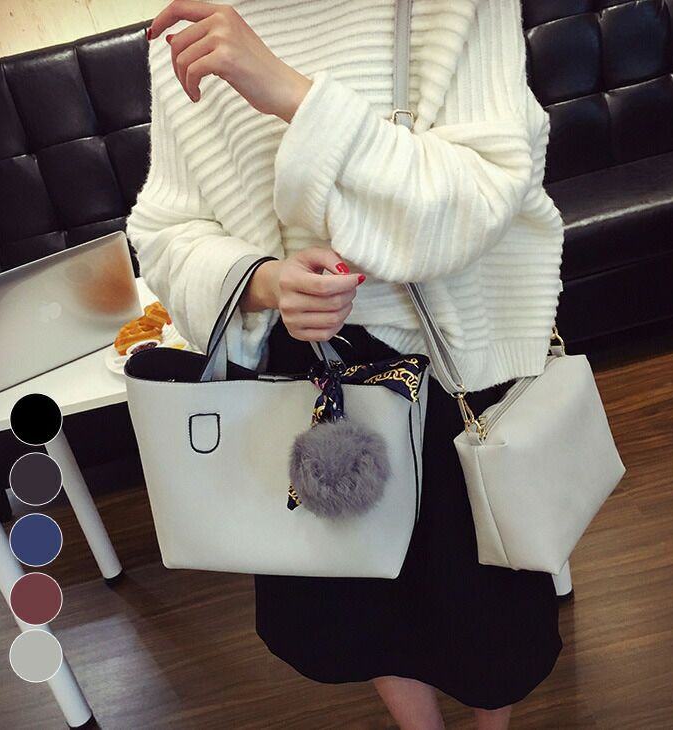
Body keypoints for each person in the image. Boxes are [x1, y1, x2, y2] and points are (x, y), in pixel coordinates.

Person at [126, 1, 566, 728]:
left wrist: (292, 95)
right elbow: (167, 228)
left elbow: (488, 189)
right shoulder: (194, 30)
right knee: (364, 601)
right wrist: (266, 280)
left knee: (489, 612)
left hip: (458, 363)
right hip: (308, 374)